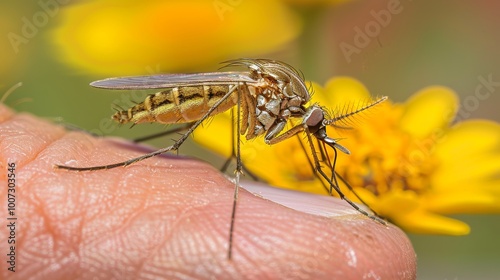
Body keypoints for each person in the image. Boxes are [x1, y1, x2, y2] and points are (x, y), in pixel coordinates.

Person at [0, 103, 416, 279]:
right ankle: (155, 151)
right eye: (314, 120)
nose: (313, 128)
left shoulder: (292, 111)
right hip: (199, 96)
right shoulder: (276, 103)